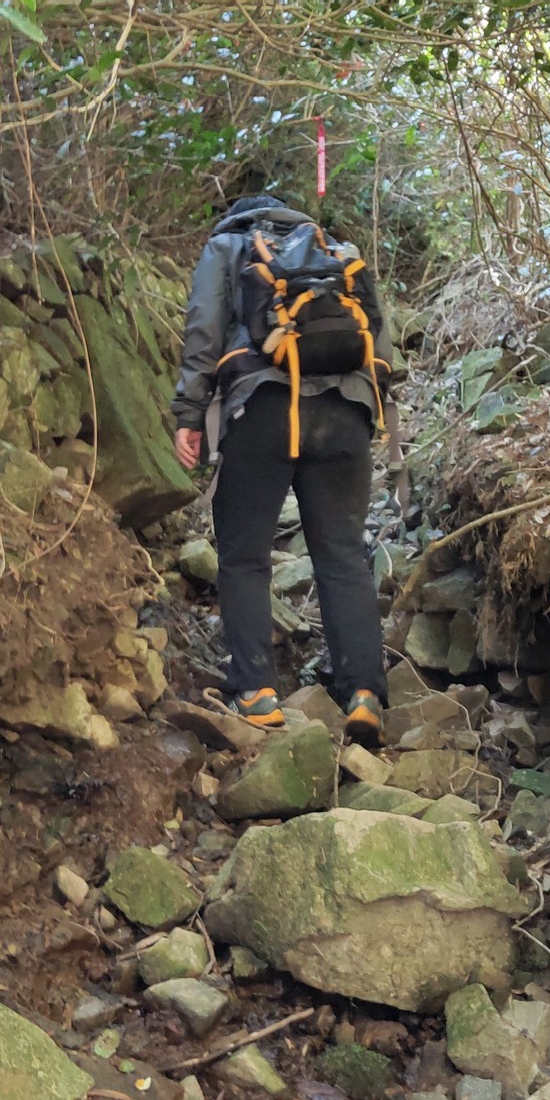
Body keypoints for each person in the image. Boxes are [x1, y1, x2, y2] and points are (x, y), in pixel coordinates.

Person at [172, 193, 391, 745]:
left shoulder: (228, 246)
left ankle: (256, 692)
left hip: (263, 408)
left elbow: (204, 329)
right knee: (342, 556)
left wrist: (190, 414)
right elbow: (382, 343)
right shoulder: (336, 251)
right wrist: (371, 407)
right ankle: (364, 692)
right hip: (345, 412)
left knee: (244, 555)